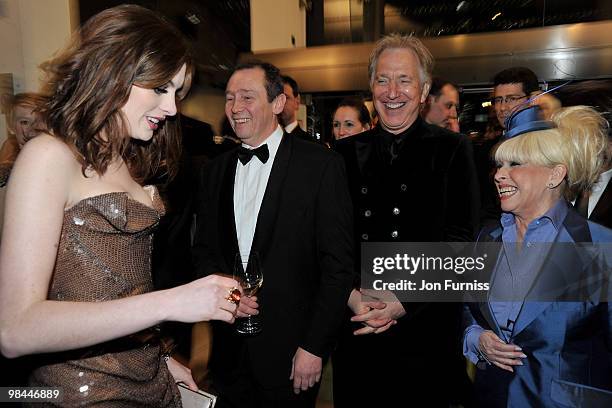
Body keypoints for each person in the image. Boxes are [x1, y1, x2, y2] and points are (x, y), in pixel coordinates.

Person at [0, 5, 238, 406]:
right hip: (79, 394)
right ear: (114, 72)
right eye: (160, 88)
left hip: (150, 380)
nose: (171, 109)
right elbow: (15, 330)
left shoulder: (129, 158)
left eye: (175, 92)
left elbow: (119, 289)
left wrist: (162, 357)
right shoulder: (48, 156)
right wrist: (175, 301)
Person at [192, 61, 354, 408]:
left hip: (294, 353)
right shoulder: (214, 171)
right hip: (228, 353)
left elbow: (338, 267)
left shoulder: (321, 166)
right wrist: (231, 299)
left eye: (247, 97)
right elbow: (204, 252)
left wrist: (314, 347)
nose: (236, 108)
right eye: (230, 98)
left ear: (278, 104)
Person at [334, 33, 480, 407]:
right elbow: (329, 240)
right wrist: (352, 296)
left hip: (425, 330)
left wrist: (404, 300)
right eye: (382, 80)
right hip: (358, 325)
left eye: (404, 80)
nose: (392, 91)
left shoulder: (453, 149)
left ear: (424, 89)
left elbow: (461, 239)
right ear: (371, 87)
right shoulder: (343, 154)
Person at [463, 105, 612, 407]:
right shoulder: (487, 238)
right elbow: (466, 307)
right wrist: (474, 337)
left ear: (555, 175)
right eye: (498, 165)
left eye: (514, 163)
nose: (499, 175)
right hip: (489, 397)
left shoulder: (598, 246)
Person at [0, 92, 46, 186]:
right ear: (10, 127)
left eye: (40, 121)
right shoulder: (7, 172)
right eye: (25, 122)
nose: (34, 128)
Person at [280, 75, 313, 142]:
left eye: (285, 98)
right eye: (275, 98)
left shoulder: (312, 145)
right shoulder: (259, 143)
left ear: (297, 101)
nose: (279, 104)